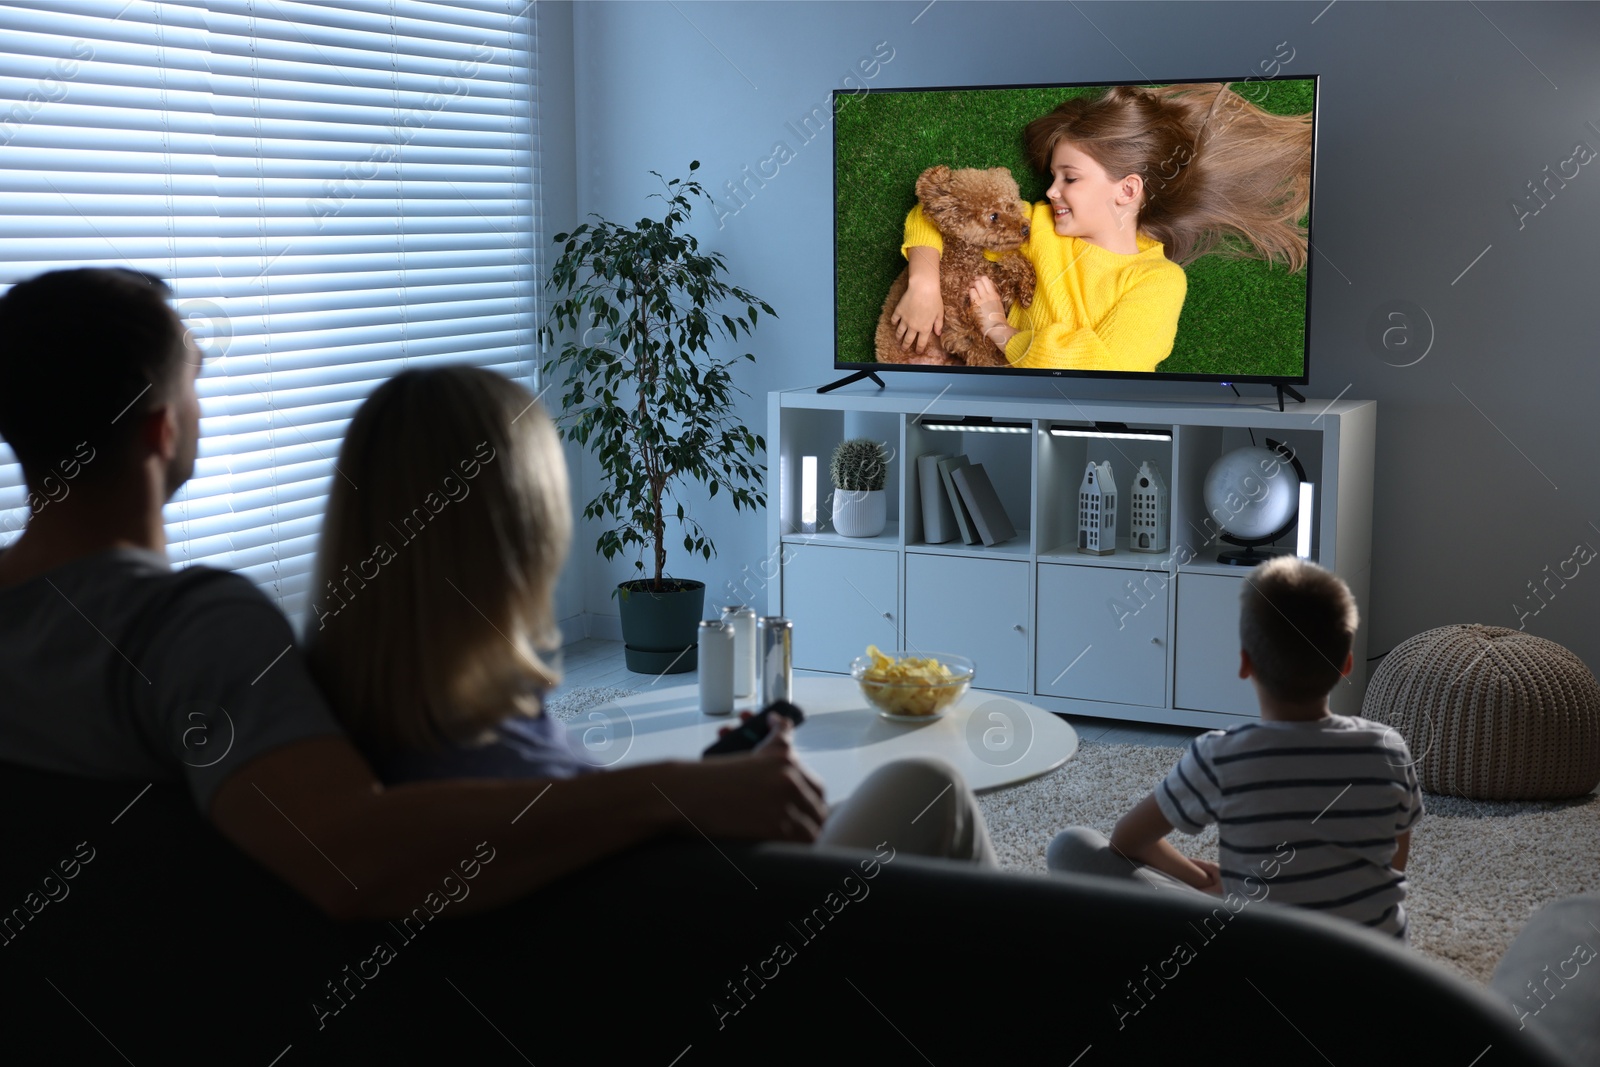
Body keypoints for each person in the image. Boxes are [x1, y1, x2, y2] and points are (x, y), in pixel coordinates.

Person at [0, 267, 970, 928]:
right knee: (925, 787)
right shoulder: (197, 632)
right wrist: (678, 788)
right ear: (163, 430)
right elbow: (350, 849)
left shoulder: (294, 676)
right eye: (199, 384)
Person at [302, 363, 994, 863]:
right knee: (929, 787)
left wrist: (716, 789)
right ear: (522, 533)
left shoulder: (350, 725)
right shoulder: (486, 779)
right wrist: (701, 802)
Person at [1046, 556, 1425, 942]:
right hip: (1378, 968)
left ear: (1245, 663)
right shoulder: (1388, 748)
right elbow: (1393, 866)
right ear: (1346, 664)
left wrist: (1204, 880)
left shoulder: (1222, 756)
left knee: (1071, 846)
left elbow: (1127, 841)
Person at [891, 82, 1312, 372]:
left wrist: (1000, 329)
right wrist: (923, 283)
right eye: (1053, 177)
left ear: (1127, 190)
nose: (1052, 191)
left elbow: (1107, 364)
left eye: (1069, 179)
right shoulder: (1034, 224)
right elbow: (938, 213)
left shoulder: (1157, 281)